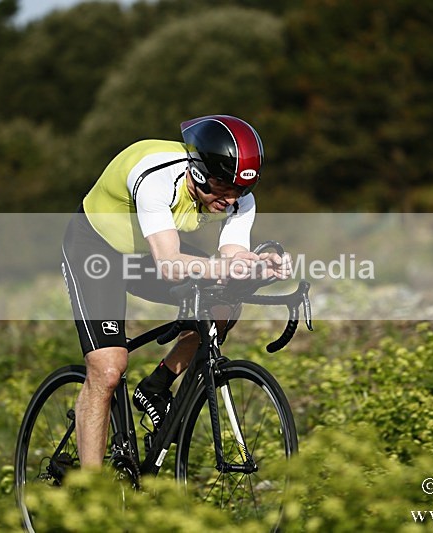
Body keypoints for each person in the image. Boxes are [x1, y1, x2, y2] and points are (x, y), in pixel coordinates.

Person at [61, 115, 291, 468]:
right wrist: (224, 267)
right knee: (108, 368)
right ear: (198, 171)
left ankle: (157, 384)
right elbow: (169, 263)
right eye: (222, 188)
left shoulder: (239, 198)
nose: (231, 201)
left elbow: (231, 259)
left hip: (145, 253)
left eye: (240, 191)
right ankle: (94, 498)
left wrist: (261, 267)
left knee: (223, 307)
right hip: (97, 250)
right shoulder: (156, 178)